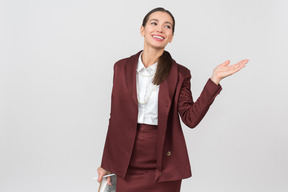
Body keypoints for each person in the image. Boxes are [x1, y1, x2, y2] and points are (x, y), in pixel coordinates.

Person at [97, 7, 248, 192]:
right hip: (126, 160)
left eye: (167, 26)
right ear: (142, 30)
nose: (160, 29)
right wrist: (106, 162)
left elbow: (190, 119)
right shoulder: (121, 68)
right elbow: (115, 119)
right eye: (154, 23)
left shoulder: (180, 74)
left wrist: (214, 80)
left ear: (171, 37)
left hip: (163, 164)